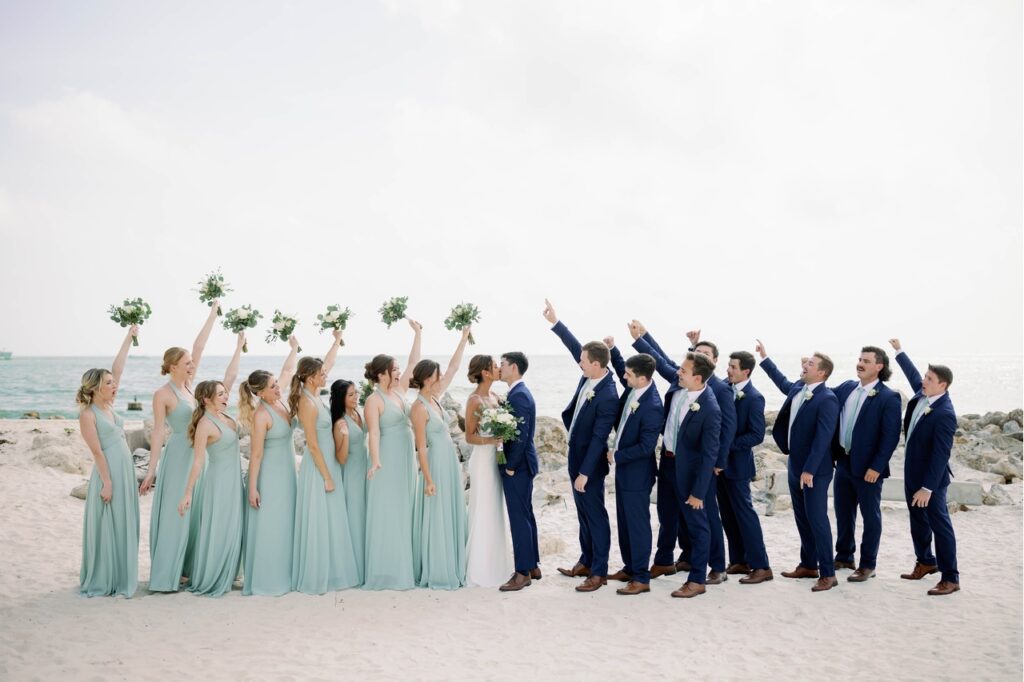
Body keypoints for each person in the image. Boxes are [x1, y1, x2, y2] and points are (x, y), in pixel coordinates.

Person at [631, 324, 736, 584]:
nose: (680, 369)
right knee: (667, 515)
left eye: (702, 352)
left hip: (696, 465)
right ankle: (665, 560)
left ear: (711, 362)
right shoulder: (680, 383)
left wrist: (716, 465)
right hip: (668, 460)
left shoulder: (717, 392)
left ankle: (718, 567)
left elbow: (724, 430)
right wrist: (642, 338)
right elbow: (663, 361)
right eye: (693, 351)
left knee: (706, 517)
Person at [140, 302, 222, 592]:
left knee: (195, 511)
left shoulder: (190, 386)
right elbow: (159, 431)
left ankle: (186, 570)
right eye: (186, 362)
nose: (192, 364)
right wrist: (151, 470)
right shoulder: (162, 394)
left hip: (199, 456)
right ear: (173, 366)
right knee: (178, 512)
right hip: (177, 457)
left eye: (191, 361)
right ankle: (167, 575)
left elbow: (199, 347)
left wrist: (212, 315)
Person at [544, 299, 618, 593]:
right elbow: (578, 349)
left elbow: (600, 439)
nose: (580, 362)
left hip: (591, 465)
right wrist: (556, 323)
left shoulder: (608, 394)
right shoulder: (590, 374)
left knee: (595, 515)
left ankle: (598, 571)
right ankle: (585, 560)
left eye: (584, 361)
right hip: (575, 456)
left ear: (597, 365)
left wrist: (585, 472)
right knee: (583, 514)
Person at [757, 341, 840, 592]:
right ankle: (808, 564)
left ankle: (828, 573)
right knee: (802, 518)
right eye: (806, 363)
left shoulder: (827, 398)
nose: (805, 366)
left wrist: (809, 469)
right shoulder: (797, 389)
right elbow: (780, 380)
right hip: (794, 463)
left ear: (822, 373)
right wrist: (764, 358)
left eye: (811, 364)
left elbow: (823, 438)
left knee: (817, 519)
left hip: (814, 470)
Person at [890, 338, 960, 596]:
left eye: (929, 379)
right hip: (912, 474)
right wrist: (899, 351)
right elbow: (912, 374)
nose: (924, 381)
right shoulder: (923, 395)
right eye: (925, 377)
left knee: (940, 525)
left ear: (942, 384)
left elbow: (941, 455)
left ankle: (951, 577)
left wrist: (928, 488)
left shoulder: (944, 413)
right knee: (917, 522)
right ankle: (925, 561)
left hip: (931, 481)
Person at [292, 331, 360, 593]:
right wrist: (327, 476)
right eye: (321, 374)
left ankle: (333, 571)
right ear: (310, 378)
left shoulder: (314, 396)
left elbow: (328, 364)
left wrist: (336, 340)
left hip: (329, 464)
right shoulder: (306, 403)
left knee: (333, 518)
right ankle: (319, 574)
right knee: (321, 519)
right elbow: (311, 444)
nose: (326, 376)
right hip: (319, 468)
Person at [178, 340, 246, 597]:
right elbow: (197, 461)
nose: (225, 396)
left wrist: (239, 344)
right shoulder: (206, 424)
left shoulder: (225, 415)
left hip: (233, 481)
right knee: (219, 527)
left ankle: (228, 573)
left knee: (233, 527)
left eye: (225, 393)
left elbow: (231, 375)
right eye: (220, 394)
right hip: (218, 482)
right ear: (206, 399)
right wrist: (187, 493)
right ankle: (213, 574)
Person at [77, 324, 141, 597]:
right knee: (109, 523)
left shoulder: (110, 405)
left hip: (125, 470)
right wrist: (106, 482)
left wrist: (129, 337)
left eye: (113, 383)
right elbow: (97, 452)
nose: (114, 386)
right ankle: (106, 577)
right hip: (108, 473)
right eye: (108, 384)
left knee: (125, 521)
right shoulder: (88, 414)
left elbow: (119, 368)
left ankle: (122, 574)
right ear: (95, 388)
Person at [829, 346, 901, 582]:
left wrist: (877, 467)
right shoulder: (848, 387)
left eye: (866, 361)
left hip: (869, 467)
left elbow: (890, 437)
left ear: (879, 366)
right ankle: (844, 556)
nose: (860, 363)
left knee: (870, 517)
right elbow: (821, 392)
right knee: (843, 512)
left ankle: (868, 564)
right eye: (859, 359)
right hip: (844, 462)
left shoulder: (889, 397)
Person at [362, 319, 423, 590]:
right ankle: (388, 571)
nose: (399, 373)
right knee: (389, 512)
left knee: (405, 507)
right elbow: (373, 433)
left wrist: (418, 334)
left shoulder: (399, 392)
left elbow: (414, 363)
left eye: (398, 369)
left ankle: (405, 565)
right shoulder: (373, 401)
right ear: (381, 374)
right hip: (386, 460)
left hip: (405, 458)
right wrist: (376, 460)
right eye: (393, 369)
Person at [238, 335, 301, 596]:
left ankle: (288, 573)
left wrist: (294, 348)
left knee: (287, 521)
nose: (279, 388)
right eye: (273, 386)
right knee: (271, 524)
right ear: (260, 392)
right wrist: (252, 489)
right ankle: (269, 579)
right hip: (270, 477)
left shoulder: (281, 401)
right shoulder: (262, 415)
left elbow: (288, 370)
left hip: (288, 472)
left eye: (277, 384)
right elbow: (255, 456)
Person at [410, 326, 472, 589]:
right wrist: (428, 478)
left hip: (449, 461)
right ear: (426, 379)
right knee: (437, 513)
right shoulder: (418, 407)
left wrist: (463, 339)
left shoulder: (435, 397)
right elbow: (421, 447)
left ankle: (454, 562)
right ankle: (438, 568)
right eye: (435, 376)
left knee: (451, 510)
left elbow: (453, 368)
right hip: (434, 462)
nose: (440, 379)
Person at [605, 340, 663, 595]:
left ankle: (641, 577)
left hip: (638, 473)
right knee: (625, 522)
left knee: (638, 524)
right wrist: (614, 350)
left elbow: (646, 446)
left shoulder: (652, 405)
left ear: (642, 378)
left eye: (628, 375)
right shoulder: (634, 390)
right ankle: (629, 567)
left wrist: (616, 454)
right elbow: (621, 370)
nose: (624, 378)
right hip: (625, 472)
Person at [668, 353, 722, 599]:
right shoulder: (686, 395)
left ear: (697, 377)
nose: (679, 372)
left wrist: (699, 492)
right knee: (689, 527)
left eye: (683, 370)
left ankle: (698, 579)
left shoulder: (709, 408)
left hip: (695, 480)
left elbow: (710, 454)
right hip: (677, 472)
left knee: (700, 528)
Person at [720, 351, 773, 585]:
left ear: (746, 371)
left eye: (732, 367)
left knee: (745, 515)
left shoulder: (753, 397)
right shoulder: (723, 388)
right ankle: (739, 560)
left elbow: (756, 434)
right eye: (728, 365)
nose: (728, 370)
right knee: (728, 515)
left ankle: (761, 566)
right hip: (718, 465)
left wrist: (727, 445)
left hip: (738, 465)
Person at [463, 354, 514, 587]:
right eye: (494, 366)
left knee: (495, 508)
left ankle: (497, 564)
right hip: (483, 460)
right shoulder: (474, 400)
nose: (497, 368)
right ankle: (480, 568)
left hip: (496, 459)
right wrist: (491, 440)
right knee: (483, 508)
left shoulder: (495, 397)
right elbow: (469, 436)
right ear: (485, 372)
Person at [497, 352, 540, 592]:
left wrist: (511, 465)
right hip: (522, 465)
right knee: (526, 514)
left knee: (519, 518)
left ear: (513, 367)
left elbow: (521, 437)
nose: (499, 368)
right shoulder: (516, 393)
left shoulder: (520, 395)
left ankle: (522, 572)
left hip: (520, 466)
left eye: (502, 365)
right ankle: (532, 566)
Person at [330, 379, 368, 584]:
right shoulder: (340, 422)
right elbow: (341, 458)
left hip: (364, 469)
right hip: (351, 472)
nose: (356, 397)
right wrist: (344, 436)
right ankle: (354, 569)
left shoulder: (357, 414)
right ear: (341, 399)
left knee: (363, 516)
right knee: (354, 517)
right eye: (351, 395)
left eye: (356, 393)